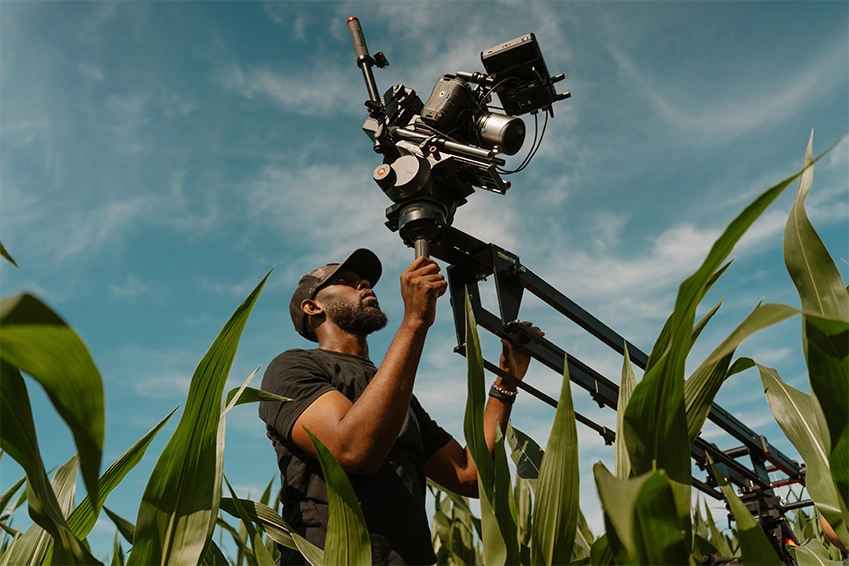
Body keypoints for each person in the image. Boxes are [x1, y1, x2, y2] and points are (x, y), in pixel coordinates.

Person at [259, 248, 540, 565]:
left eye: (365, 280)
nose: (365, 284)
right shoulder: (292, 367)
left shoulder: (394, 392)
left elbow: (469, 475)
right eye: (347, 281)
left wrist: (507, 382)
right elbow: (352, 449)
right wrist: (415, 321)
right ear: (313, 306)